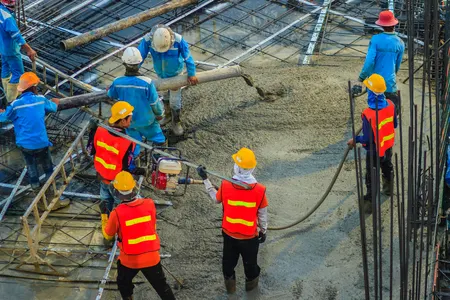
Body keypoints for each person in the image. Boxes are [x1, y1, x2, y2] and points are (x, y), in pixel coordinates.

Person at [196, 147, 268, 294]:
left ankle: (231, 294)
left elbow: (216, 199)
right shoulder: (260, 190)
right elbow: (262, 215)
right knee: (251, 267)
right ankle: (252, 293)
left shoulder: (226, 185)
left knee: (228, 267)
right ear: (252, 168)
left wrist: (205, 179)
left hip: (229, 236)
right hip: (249, 238)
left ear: (237, 167)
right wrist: (263, 231)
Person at [0, 72, 69, 209]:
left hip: (25, 145)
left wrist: (2, 112)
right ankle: (54, 199)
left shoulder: (16, 104)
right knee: (49, 169)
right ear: (34, 87)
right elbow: (53, 107)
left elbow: (4, 118)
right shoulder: (41, 99)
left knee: (32, 170)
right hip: (41, 143)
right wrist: (55, 101)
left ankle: (39, 200)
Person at [104, 171, 176, 300]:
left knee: (123, 283)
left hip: (129, 260)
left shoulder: (117, 213)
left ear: (117, 192)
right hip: (151, 256)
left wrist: (104, 216)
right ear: (134, 187)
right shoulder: (149, 203)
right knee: (162, 286)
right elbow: (152, 226)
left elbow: (108, 236)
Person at [87, 101, 146, 241]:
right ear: (123, 120)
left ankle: (107, 227)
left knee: (106, 201)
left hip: (102, 176)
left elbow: (90, 150)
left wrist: (91, 132)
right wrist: (140, 170)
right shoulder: (128, 142)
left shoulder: (99, 131)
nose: (131, 120)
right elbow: (127, 167)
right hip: (117, 182)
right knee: (121, 206)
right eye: (129, 118)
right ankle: (120, 228)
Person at [347, 74, 397, 214]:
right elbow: (394, 124)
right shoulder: (391, 105)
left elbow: (367, 139)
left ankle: (369, 202)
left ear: (370, 92)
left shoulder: (368, 114)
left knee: (371, 176)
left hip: (374, 151)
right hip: (387, 146)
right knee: (387, 166)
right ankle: (388, 189)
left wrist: (355, 140)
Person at [138, 24, 198, 136]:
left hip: (176, 74)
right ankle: (168, 114)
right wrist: (133, 73)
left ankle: (176, 121)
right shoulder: (148, 40)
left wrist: (192, 73)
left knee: (175, 99)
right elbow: (139, 56)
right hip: (161, 74)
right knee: (164, 94)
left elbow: (188, 57)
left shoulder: (178, 40)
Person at [107, 47, 166, 156]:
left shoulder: (117, 82)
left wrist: (109, 89)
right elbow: (154, 103)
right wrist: (159, 114)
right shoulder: (147, 83)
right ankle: (156, 162)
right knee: (159, 140)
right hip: (147, 120)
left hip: (129, 121)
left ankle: (134, 164)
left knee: (134, 145)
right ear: (139, 63)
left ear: (124, 63)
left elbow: (111, 94)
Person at [358, 10, 405, 113]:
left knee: (375, 112)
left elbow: (369, 62)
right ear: (393, 24)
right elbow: (397, 66)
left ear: (381, 25)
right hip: (389, 83)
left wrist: (361, 77)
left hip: (375, 84)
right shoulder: (400, 43)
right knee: (391, 113)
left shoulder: (375, 39)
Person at [0, 0, 37, 104]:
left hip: (2, 47)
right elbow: (17, 36)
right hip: (11, 49)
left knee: (6, 68)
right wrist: (29, 50)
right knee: (18, 74)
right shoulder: (7, 17)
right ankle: (12, 100)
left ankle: (7, 93)